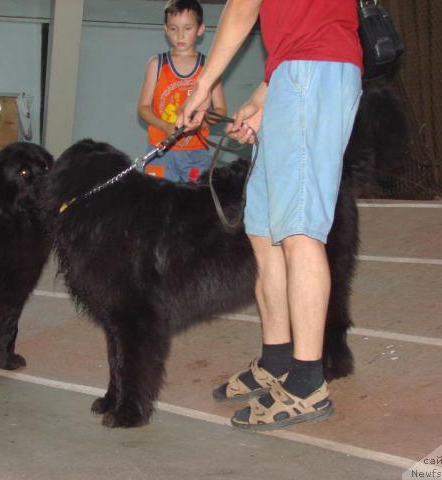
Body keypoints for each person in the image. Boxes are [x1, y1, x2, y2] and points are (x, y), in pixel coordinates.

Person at [178, 0, 362, 430]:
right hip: (292, 72)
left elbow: (244, 7)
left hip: (314, 69)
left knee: (299, 232)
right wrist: (264, 96)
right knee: (264, 229)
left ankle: (307, 383)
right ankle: (278, 361)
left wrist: (203, 85)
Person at [138, 0, 226, 182]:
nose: (180, 35)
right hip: (160, 150)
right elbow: (143, 108)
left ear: (201, 29)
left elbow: (221, 111)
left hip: (196, 153)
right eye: (173, 28)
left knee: (198, 206)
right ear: (165, 28)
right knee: (156, 205)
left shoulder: (210, 67)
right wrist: (165, 126)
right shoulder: (157, 64)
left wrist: (199, 124)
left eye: (187, 28)